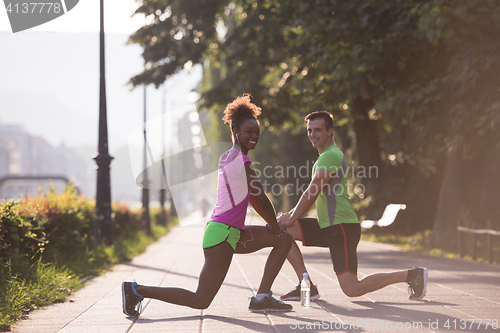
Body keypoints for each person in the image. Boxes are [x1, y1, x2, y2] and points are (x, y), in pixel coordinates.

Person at [122, 94, 293, 317]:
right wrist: (275, 225)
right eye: (248, 131)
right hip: (222, 235)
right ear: (235, 132)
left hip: (233, 233)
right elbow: (260, 198)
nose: (254, 136)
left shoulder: (228, 157)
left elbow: (251, 198)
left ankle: (261, 298)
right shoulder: (242, 161)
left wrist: (273, 226)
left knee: (284, 239)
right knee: (200, 300)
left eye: (257, 132)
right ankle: (135, 290)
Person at [278, 111, 428, 302]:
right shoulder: (325, 156)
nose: (312, 134)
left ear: (330, 131)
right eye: (309, 130)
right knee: (283, 232)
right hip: (328, 225)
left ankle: (411, 275)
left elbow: (312, 193)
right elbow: (312, 194)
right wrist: (288, 217)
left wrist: (290, 217)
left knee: (352, 289)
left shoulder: (330, 156)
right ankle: (306, 286)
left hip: (342, 227)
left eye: (318, 130)